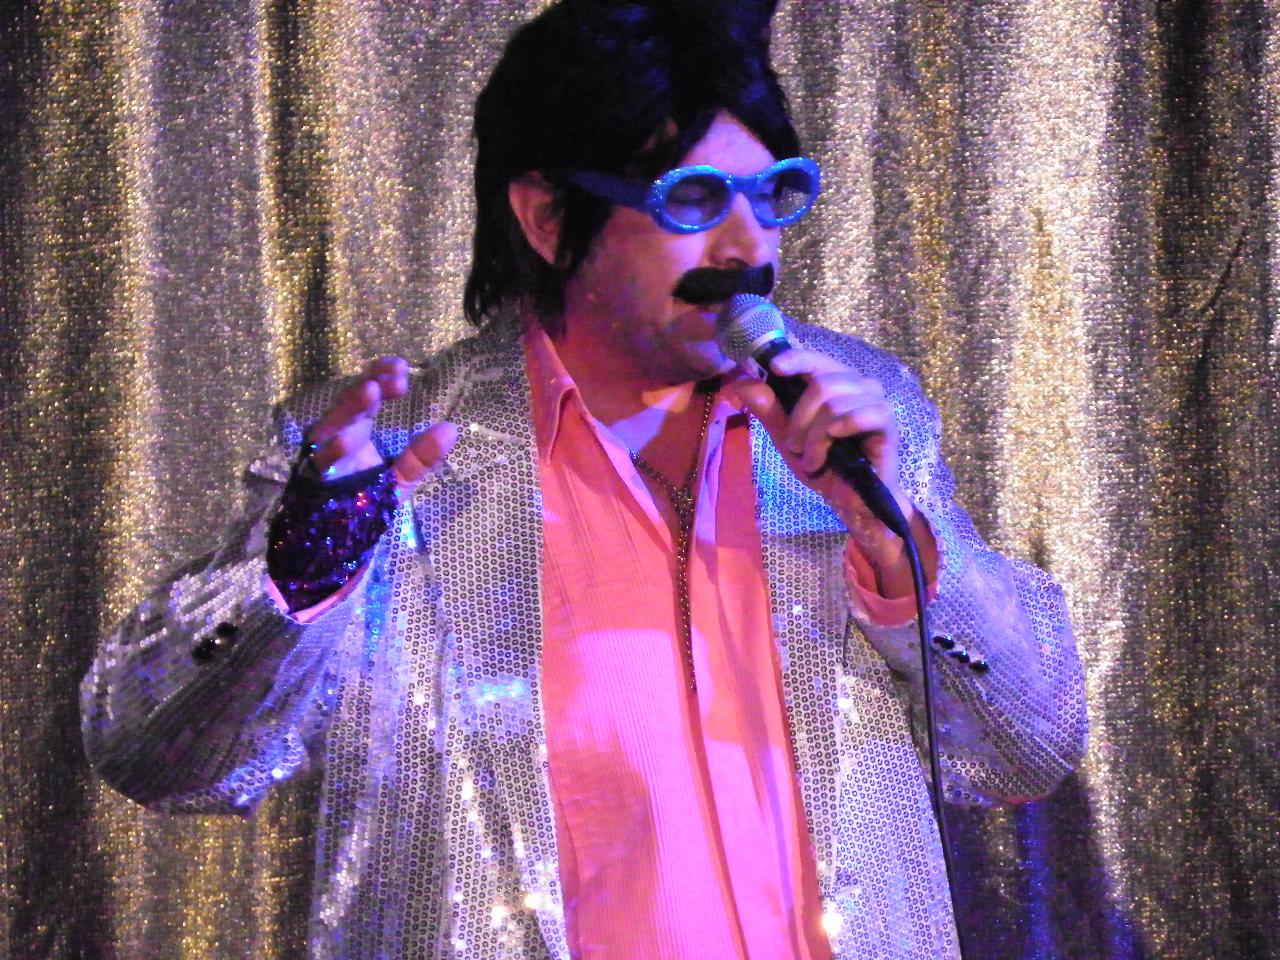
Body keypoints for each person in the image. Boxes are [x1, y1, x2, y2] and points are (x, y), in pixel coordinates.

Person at [82, 2, 1087, 958]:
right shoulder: (390, 452)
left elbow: (1026, 750)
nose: (749, 249)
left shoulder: (859, 415)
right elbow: (155, 756)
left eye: (772, 194)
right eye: (693, 200)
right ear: (548, 217)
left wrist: (895, 546)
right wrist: (302, 574)